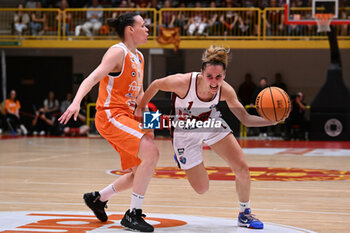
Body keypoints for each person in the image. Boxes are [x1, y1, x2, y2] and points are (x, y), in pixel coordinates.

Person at [135, 45, 287, 230]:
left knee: (242, 168)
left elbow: (245, 119)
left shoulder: (226, 90)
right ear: (201, 73)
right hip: (184, 133)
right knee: (202, 188)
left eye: (219, 77)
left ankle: (244, 213)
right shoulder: (183, 83)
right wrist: (140, 107)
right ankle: (181, 156)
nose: (214, 82)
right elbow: (157, 84)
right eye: (209, 76)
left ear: (224, 76)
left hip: (210, 123)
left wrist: (271, 121)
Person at [59, 12, 159, 232]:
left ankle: (98, 198)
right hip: (111, 115)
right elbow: (92, 78)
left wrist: (152, 117)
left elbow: (140, 97)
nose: (147, 29)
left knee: (138, 171)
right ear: (130, 30)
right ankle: (133, 215)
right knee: (151, 152)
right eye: (143, 25)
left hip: (128, 116)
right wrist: (76, 102)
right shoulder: (117, 52)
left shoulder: (139, 57)